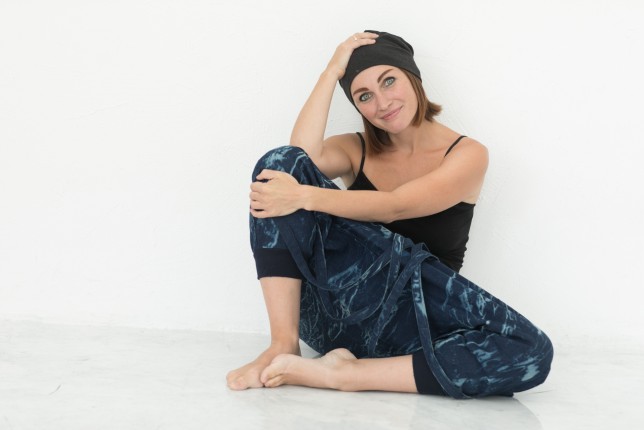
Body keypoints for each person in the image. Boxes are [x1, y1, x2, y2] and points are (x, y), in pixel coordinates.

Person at [226, 31, 553, 398]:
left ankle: (348, 374)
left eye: (389, 81)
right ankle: (283, 344)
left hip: (416, 324)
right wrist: (331, 72)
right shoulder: (356, 148)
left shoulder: (468, 154)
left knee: (532, 350)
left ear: (412, 77)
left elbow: (396, 204)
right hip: (339, 315)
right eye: (364, 96)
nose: (382, 103)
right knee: (277, 165)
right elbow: (297, 160)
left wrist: (304, 196)